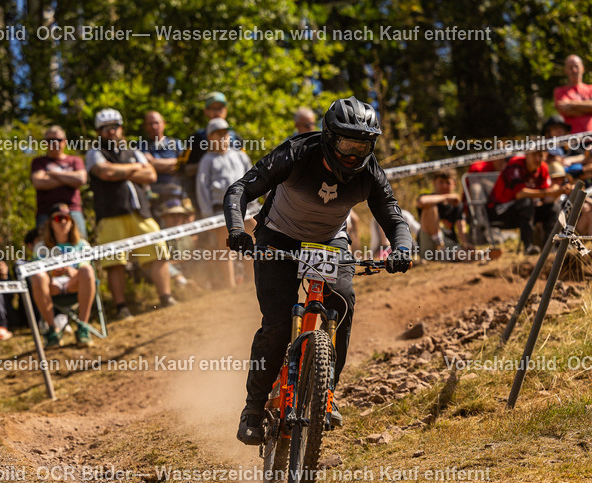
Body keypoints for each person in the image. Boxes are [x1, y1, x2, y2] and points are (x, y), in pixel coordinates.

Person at [224, 97, 414, 445]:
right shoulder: (297, 152)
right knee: (278, 324)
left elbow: (391, 212)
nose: (354, 154)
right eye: (347, 143)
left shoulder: (370, 172)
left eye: (363, 145)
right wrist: (237, 230)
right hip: (277, 238)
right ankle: (252, 410)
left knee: (342, 302)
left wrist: (402, 248)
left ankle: (326, 391)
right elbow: (240, 189)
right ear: (328, 136)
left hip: (328, 243)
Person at [86, 108, 173, 318]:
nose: (112, 131)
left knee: (158, 251)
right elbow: (104, 172)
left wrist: (120, 170)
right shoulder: (93, 152)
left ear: (121, 128)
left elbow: (151, 174)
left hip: (140, 211)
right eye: (106, 128)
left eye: (115, 126)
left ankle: (166, 298)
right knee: (115, 262)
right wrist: (134, 169)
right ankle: (121, 307)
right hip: (110, 214)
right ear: (99, 131)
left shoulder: (132, 150)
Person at [196, 118, 259, 288]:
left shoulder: (240, 155)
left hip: (246, 207)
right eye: (219, 134)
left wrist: (257, 203)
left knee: (252, 243)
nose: (223, 137)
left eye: (225, 133)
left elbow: (254, 178)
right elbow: (202, 188)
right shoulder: (207, 160)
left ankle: (254, 284)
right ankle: (230, 287)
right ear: (210, 137)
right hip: (220, 212)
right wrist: (207, 216)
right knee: (226, 249)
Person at [30, 203, 96, 348]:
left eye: (67, 218)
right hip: (52, 286)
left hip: (75, 284)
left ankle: (83, 327)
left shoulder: (82, 244)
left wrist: (75, 272)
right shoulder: (41, 247)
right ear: (50, 223)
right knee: (39, 277)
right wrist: (51, 273)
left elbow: (85, 265)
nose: (63, 222)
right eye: (59, 218)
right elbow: (37, 269)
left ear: (72, 222)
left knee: (87, 271)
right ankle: (52, 329)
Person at [487, 147, 566, 252]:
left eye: (541, 155)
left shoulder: (543, 167)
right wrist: (549, 192)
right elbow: (520, 194)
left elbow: (547, 197)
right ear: (526, 154)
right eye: (534, 155)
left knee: (554, 208)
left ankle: (551, 247)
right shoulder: (515, 165)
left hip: (526, 210)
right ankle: (528, 246)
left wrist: (560, 191)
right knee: (526, 202)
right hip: (500, 212)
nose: (538, 159)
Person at [30, 126, 87, 232]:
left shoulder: (75, 160)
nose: (55, 143)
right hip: (45, 212)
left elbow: (80, 180)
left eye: (58, 140)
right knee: (44, 247)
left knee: (81, 245)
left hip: (73, 210)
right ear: (45, 143)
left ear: (65, 141)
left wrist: (52, 174)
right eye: (51, 141)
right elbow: (39, 182)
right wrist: (69, 179)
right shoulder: (39, 162)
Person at [139, 111, 190, 229]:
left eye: (156, 123)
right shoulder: (141, 146)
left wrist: (153, 163)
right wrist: (170, 164)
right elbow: (143, 170)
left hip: (176, 195)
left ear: (164, 124)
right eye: (150, 124)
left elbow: (181, 166)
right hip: (152, 198)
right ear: (145, 127)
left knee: (178, 231)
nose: (154, 126)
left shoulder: (175, 143)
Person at [416, 170, 471, 256]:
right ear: (434, 183)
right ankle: (440, 245)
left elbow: (461, 227)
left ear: (454, 184)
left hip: (449, 243)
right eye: (441, 182)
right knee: (430, 207)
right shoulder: (428, 198)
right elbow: (422, 201)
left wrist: (466, 243)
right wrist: (447, 197)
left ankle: (477, 256)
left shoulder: (456, 204)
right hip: (428, 245)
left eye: (448, 183)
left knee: (462, 254)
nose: (444, 186)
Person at [554, 55, 592, 135]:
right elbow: (565, 110)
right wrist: (590, 110)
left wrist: (571, 103)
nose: (574, 70)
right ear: (565, 70)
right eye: (570, 67)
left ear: (582, 68)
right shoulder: (560, 91)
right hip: (572, 140)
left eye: (576, 66)